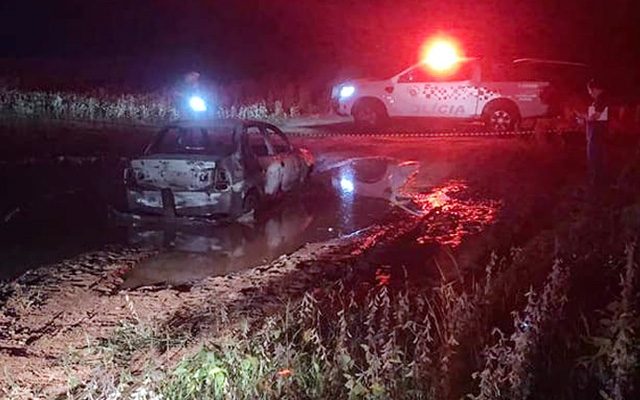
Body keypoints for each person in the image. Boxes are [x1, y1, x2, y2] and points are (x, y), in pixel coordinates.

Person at [585, 78, 609, 189]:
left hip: (597, 134)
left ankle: (598, 183)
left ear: (594, 89)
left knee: (595, 158)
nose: (589, 94)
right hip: (597, 133)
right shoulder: (600, 99)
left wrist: (584, 117)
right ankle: (599, 181)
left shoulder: (602, 99)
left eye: (590, 91)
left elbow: (596, 116)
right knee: (597, 158)